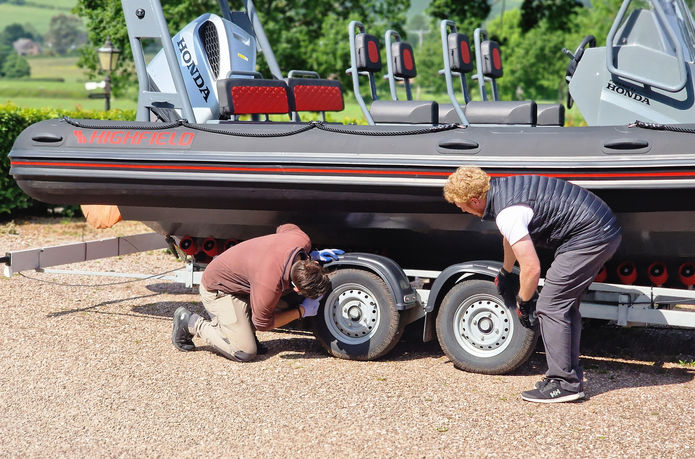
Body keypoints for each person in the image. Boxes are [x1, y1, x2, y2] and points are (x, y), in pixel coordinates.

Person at [443, 167, 621, 403]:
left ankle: (564, 384)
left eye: (461, 205)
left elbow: (532, 268)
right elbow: (510, 238)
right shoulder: (503, 192)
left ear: (475, 200)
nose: (462, 210)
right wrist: (506, 272)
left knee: (549, 306)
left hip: (590, 237)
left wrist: (523, 302)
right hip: (599, 230)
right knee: (564, 306)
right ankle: (567, 377)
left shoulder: (508, 213)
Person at [172, 223, 342, 362]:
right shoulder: (268, 284)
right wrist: (301, 311)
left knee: (282, 303)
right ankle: (190, 322)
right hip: (220, 290)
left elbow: (285, 227)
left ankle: (242, 327)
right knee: (244, 351)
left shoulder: (301, 240)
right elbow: (263, 323)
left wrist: (310, 254)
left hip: (245, 282)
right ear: (297, 288)